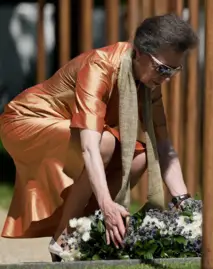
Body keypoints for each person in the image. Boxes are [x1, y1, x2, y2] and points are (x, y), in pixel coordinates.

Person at [0, 14, 198, 261]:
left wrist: (183, 200)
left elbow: (163, 146)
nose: (167, 78)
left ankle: (87, 231)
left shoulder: (148, 85)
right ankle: (65, 236)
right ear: (139, 53)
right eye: (163, 68)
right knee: (106, 143)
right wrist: (106, 203)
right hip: (25, 120)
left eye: (174, 70)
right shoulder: (100, 66)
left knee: (139, 157)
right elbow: (91, 148)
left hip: (72, 131)